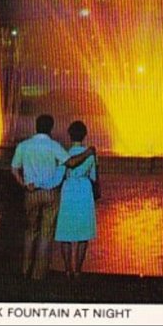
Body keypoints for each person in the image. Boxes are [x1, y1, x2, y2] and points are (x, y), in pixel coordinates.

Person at [11, 114, 94, 281]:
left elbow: (14, 169)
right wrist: (88, 153)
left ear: (36, 126)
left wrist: (24, 184)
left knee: (30, 232)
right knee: (46, 233)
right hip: (50, 193)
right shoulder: (54, 146)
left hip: (31, 192)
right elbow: (70, 163)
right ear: (51, 128)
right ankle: (38, 274)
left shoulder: (24, 145)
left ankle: (25, 270)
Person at [55, 120, 97, 279]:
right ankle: (78, 271)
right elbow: (93, 176)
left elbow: (59, 177)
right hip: (84, 192)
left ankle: (67, 270)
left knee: (65, 233)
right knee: (82, 234)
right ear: (85, 135)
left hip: (68, 191)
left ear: (69, 135)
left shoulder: (64, 154)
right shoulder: (90, 155)